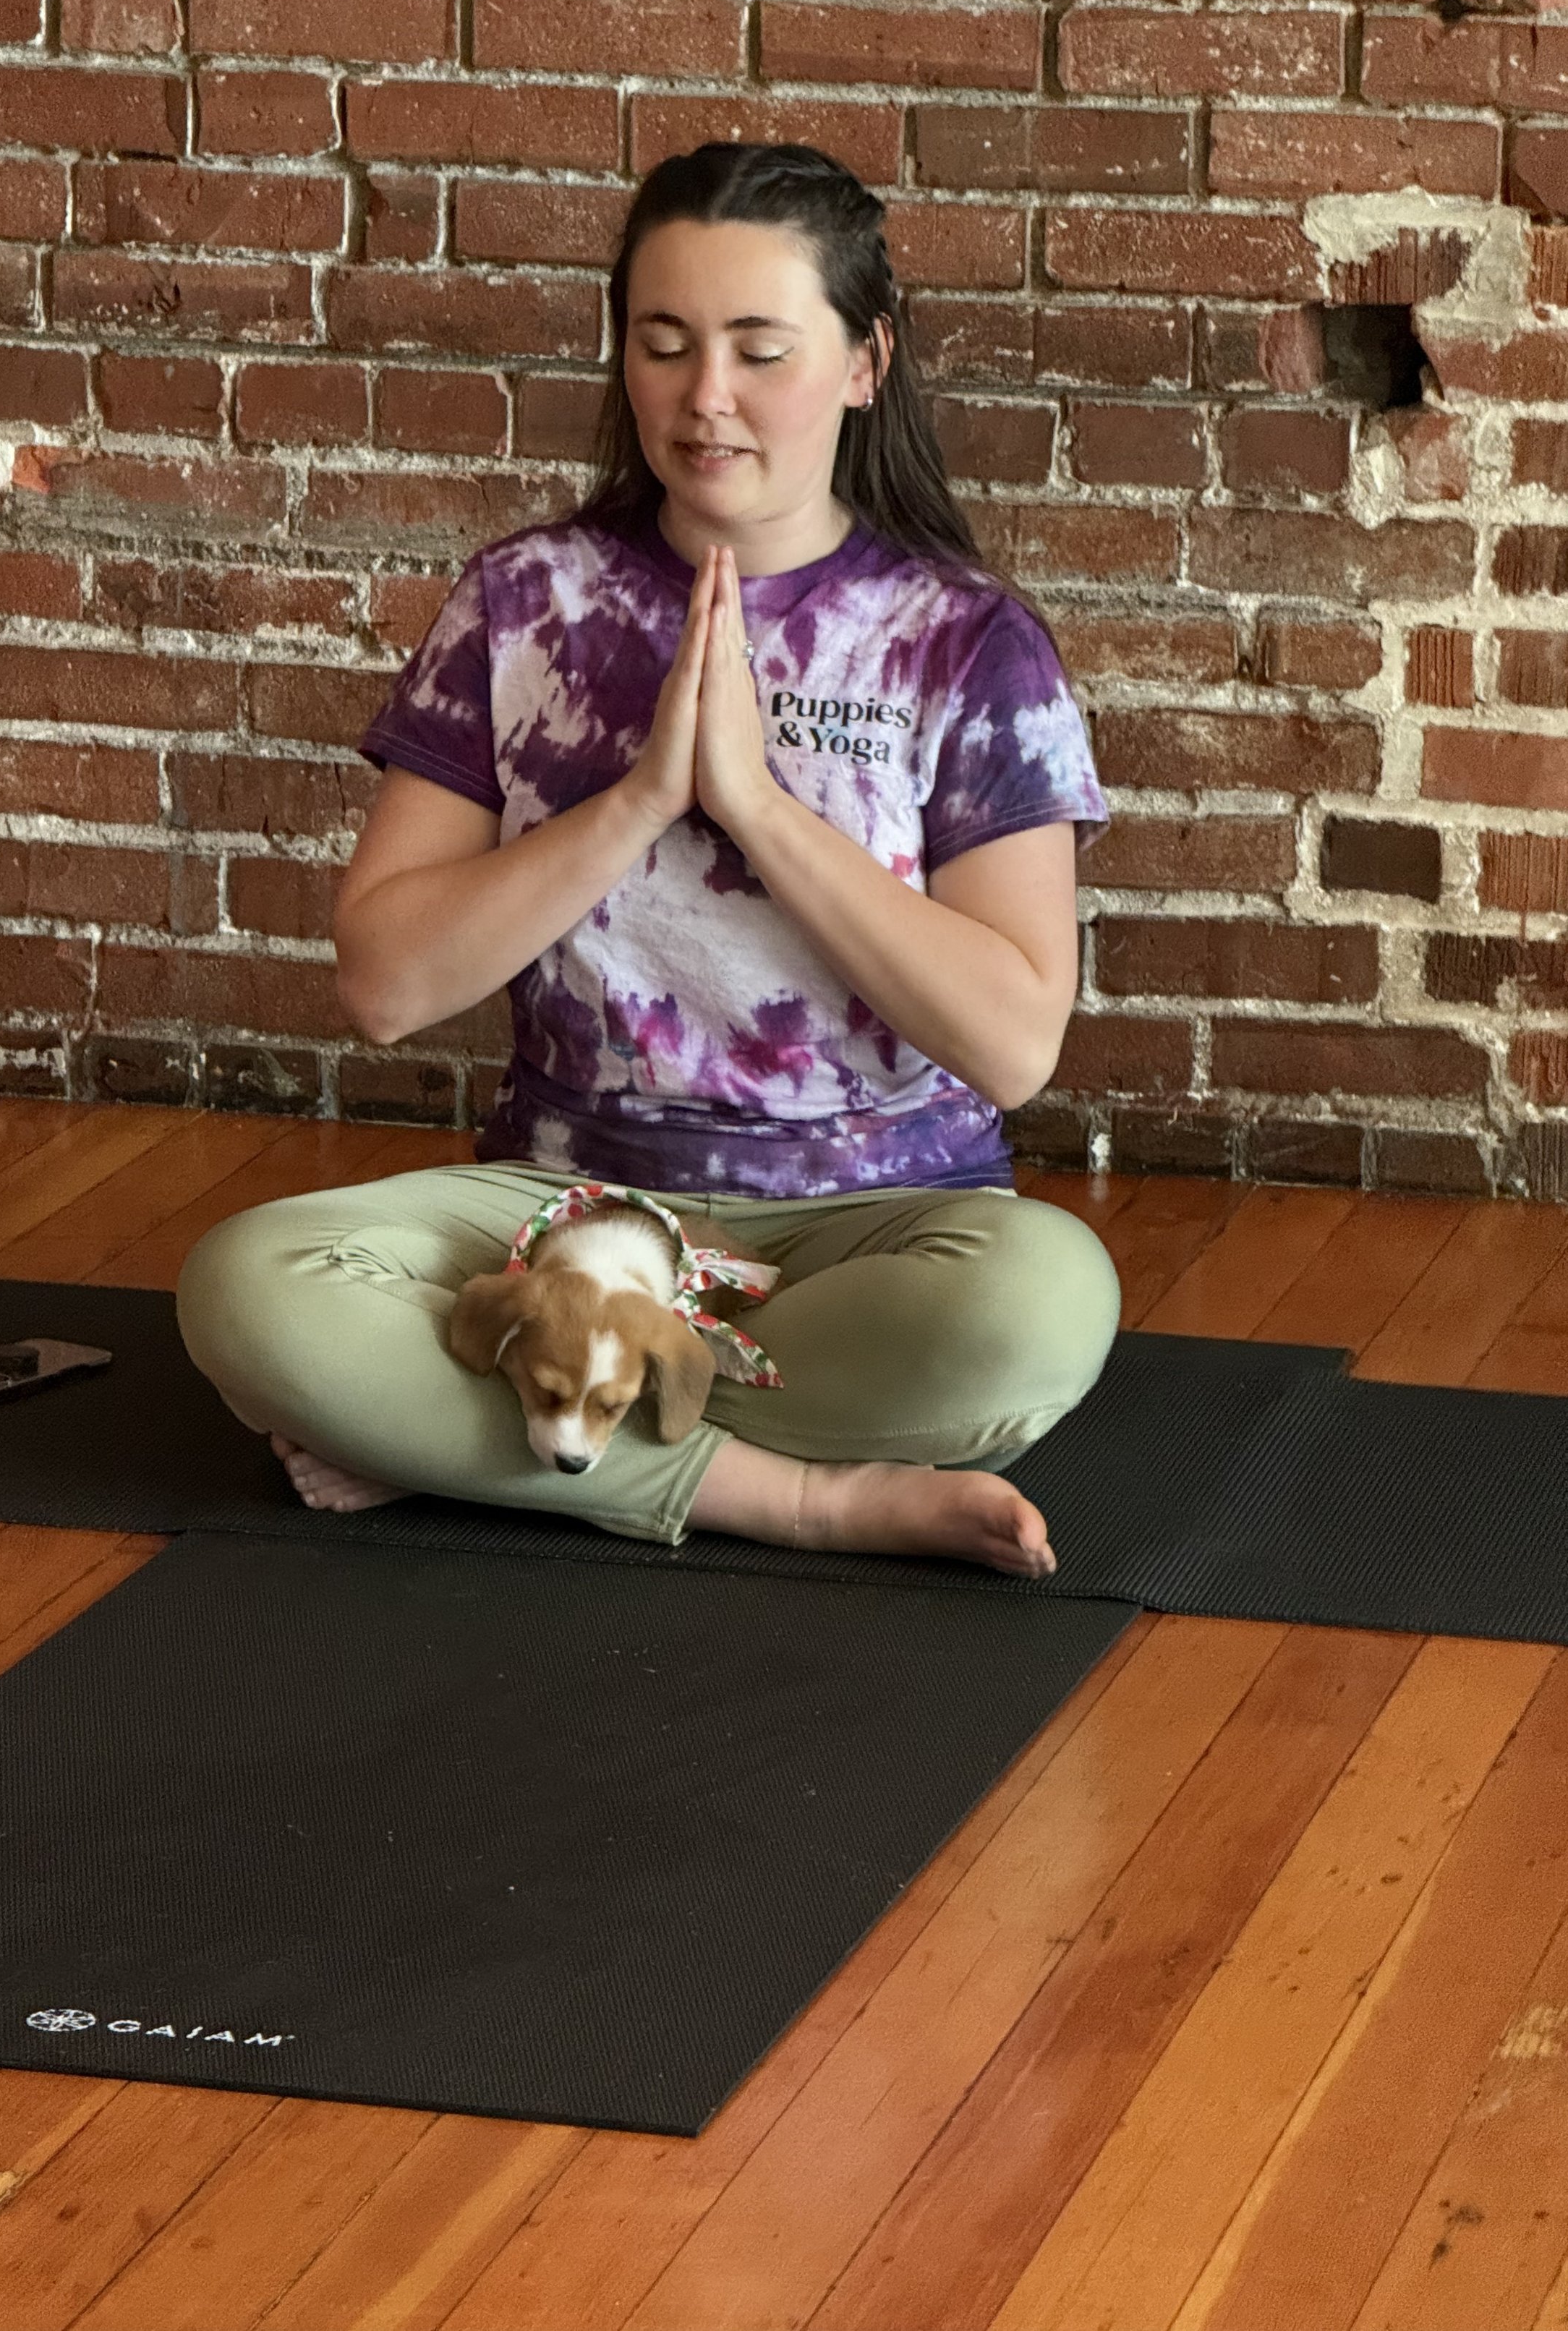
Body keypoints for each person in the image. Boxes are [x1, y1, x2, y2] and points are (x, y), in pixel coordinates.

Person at [175, 140, 1121, 1577]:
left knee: (1039, 1308)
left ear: (863, 363)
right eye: (663, 343)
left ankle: (479, 1429)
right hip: (566, 1215)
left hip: (869, 1224)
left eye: (758, 348)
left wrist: (752, 805)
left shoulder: (966, 642)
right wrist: (632, 801)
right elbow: (379, 980)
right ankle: (795, 1493)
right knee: (248, 1288)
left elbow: (1012, 1041)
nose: (706, 397)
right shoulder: (522, 601)